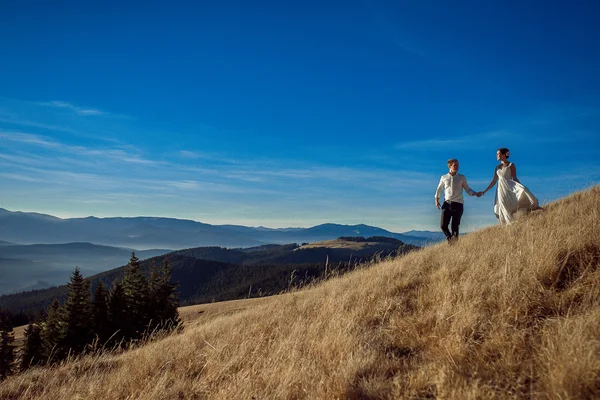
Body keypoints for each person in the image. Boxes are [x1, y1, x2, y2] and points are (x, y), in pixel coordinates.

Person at [479, 148, 540, 225]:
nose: (497, 155)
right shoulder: (497, 167)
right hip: (501, 190)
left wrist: (521, 188)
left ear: (504, 155)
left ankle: (531, 211)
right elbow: (494, 180)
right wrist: (485, 191)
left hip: (510, 188)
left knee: (511, 205)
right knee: (504, 206)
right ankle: (509, 225)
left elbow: (515, 178)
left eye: (499, 154)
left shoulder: (511, 165)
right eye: (497, 154)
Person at [435, 158, 478, 243]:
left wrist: (475, 193)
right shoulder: (444, 177)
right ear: (450, 166)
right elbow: (439, 189)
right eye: (455, 165)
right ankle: (450, 239)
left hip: (458, 204)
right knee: (443, 225)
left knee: (455, 227)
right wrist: (436, 200)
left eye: (458, 165)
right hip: (446, 204)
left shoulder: (462, 177)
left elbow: (468, 189)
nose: (457, 166)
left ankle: (454, 245)